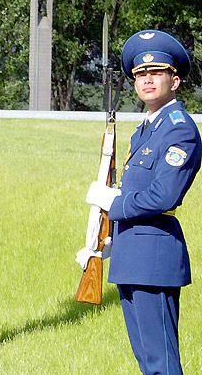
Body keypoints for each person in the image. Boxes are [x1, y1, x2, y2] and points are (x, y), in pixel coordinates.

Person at [80, 29, 200, 375]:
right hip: (132, 252)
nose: (147, 80)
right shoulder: (146, 129)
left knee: (160, 361)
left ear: (174, 81)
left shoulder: (179, 129)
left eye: (156, 73)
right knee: (147, 359)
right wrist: (105, 239)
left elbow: (164, 195)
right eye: (140, 74)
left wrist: (114, 203)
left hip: (154, 255)